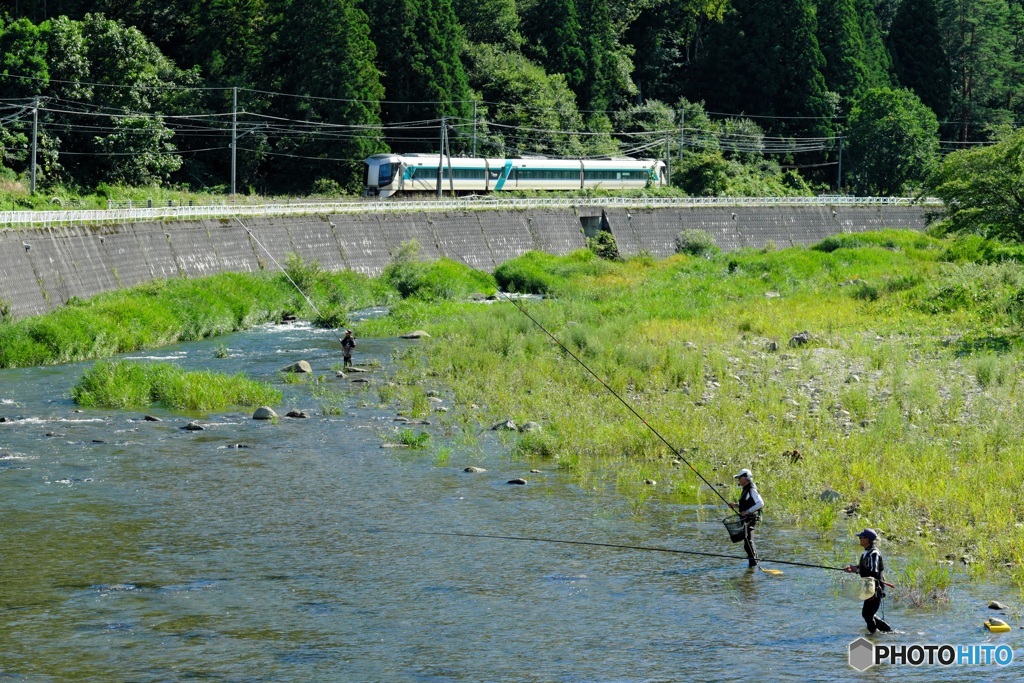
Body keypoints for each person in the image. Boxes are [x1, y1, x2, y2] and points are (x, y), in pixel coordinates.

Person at [844, 529, 893, 633]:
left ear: (867, 539)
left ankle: (874, 635)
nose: (859, 539)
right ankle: (886, 632)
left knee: (867, 614)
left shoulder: (874, 553)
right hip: (869, 586)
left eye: (861, 537)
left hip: (875, 588)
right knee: (867, 614)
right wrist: (853, 569)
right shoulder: (867, 552)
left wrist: (856, 570)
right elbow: (865, 568)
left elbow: (873, 573)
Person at [728, 468, 764, 568]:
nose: (738, 480)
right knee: (748, 541)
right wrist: (736, 505)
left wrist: (747, 512)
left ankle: (754, 564)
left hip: (751, 518)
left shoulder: (752, 488)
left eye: (739, 478)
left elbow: (760, 503)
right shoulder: (746, 488)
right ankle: (753, 564)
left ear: (745, 478)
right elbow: (748, 502)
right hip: (748, 518)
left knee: (748, 542)